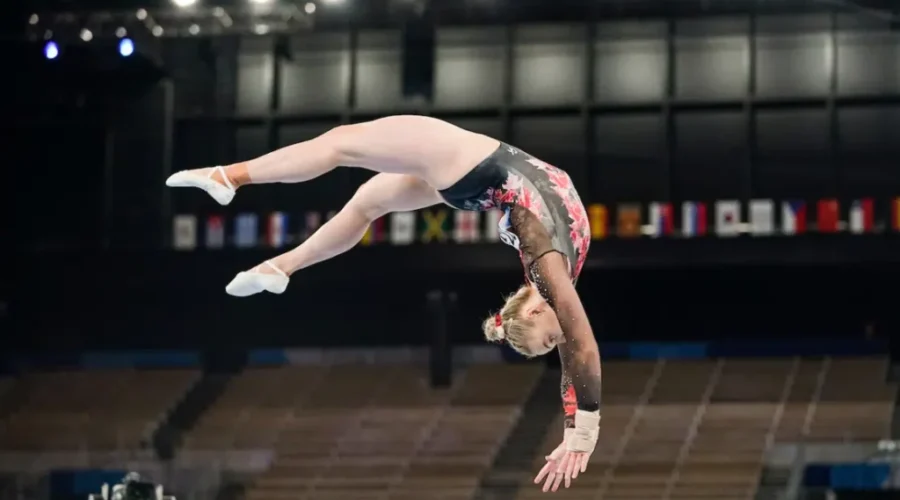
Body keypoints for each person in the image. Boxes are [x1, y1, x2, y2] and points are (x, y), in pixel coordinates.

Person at [166, 115, 602, 492]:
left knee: (339, 144)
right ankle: (282, 267)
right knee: (365, 204)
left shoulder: (547, 269)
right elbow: (578, 346)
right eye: (552, 340)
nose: (560, 337)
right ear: (533, 311)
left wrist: (580, 428)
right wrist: (579, 428)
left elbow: (576, 349)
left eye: (550, 339)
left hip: (475, 167)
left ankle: (231, 177)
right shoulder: (553, 280)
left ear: (532, 309)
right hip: (478, 179)